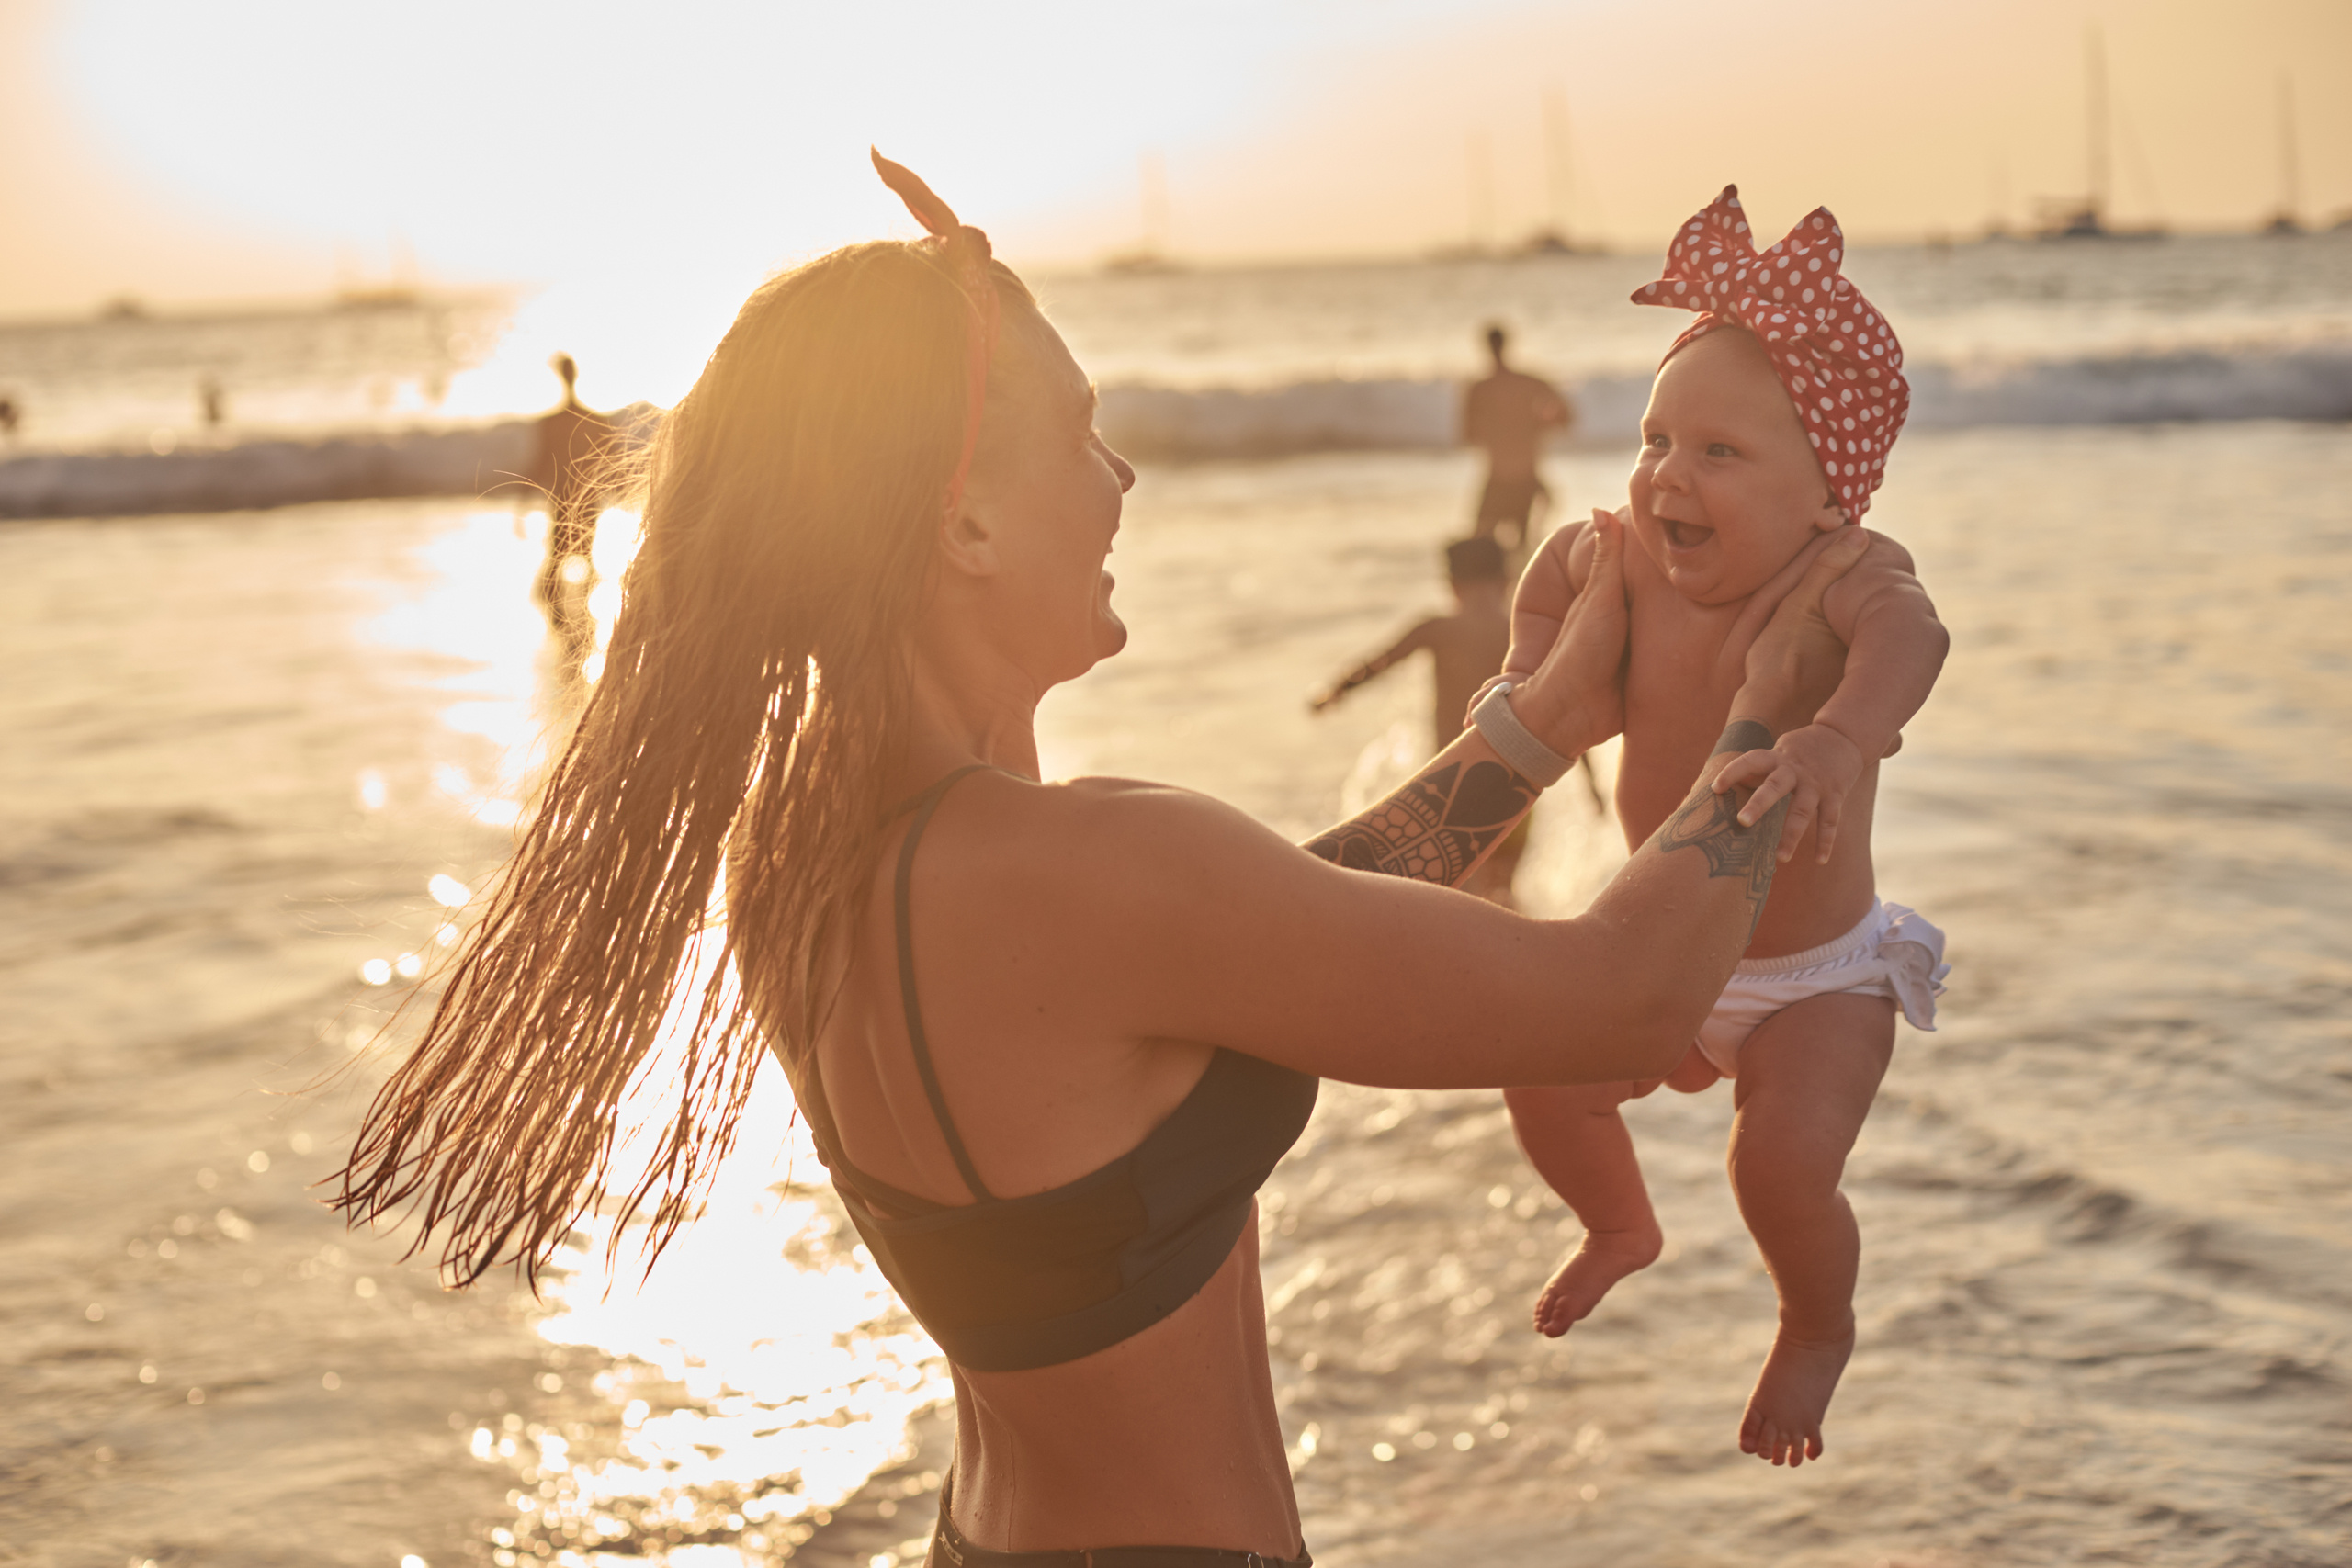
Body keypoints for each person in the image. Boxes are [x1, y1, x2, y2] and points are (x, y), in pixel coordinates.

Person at [334, 154, 1867, 1564]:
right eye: (1077, 434)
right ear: (970, 527)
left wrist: (1529, 730)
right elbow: (1616, 1002)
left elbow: (1270, 932)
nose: (1120, 477)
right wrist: (1765, 715)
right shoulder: (1094, 869)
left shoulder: (804, 848)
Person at [1494, 186, 1951, 1472]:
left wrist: (1840, 733)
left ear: (1828, 496)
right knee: (1537, 1069)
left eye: (1718, 455)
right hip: (1667, 956)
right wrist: (1529, 678)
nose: (1664, 477)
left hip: (1815, 975)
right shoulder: (1623, 554)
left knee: (1780, 1168)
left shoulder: (1848, 571)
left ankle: (1815, 1319)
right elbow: (1546, 577)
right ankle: (1618, 1222)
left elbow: (1916, 637)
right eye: (1654, 439)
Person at [1311, 536, 1535, 903]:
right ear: (1508, 580)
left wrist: (1335, 691)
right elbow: (1560, 704)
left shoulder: (1437, 629)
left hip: (1452, 782)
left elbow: (1380, 662)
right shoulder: (1523, 636)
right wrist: (1591, 784)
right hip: (1520, 781)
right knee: (1504, 888)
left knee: (1460, 889)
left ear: (1451, 584)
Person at [527, 353, 618, 660]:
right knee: (580, 559)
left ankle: (567, 626)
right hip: (583, 500)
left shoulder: (553, 422)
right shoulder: (595, 419)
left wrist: (522, 501)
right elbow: (612, 460)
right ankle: (579, 625)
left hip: (567, 500)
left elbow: (541, 464)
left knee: (560, 560)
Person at [1461, 323, 1571, 556]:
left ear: (1487, 347)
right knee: (1523, 549)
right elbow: (1566, 417)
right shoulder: (1530, 383)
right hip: (1527, 476)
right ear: (1506, 344)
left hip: (1498, 477)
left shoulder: (1480, 389)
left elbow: (1466, 435)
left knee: (1483, 548)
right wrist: (1537, 426)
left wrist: (1499, 431)